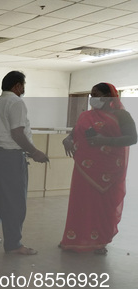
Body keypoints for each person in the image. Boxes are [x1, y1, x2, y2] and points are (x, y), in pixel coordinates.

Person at [60, 82, 137, 255]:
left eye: (96, 94)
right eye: (91, 94)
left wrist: (105, 141)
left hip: (108, 171)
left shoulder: (122, 115)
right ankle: (74, 238)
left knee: (102, 206)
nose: (92, 98)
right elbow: (74, 133)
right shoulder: (86, 115)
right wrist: (68, 139)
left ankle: (99, 241)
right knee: (80, 203)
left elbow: (132, 138)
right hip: (84, 169)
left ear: (109, 96)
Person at [0, 71, 49, 255]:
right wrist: (34, 152)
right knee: (14, 202)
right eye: (23, 85)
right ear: (17, 86)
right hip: (10, 157)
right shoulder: (16, 102)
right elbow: (17, 133)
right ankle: (13, 244)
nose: (23, 89)